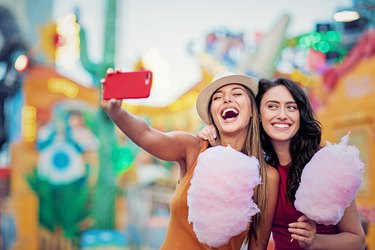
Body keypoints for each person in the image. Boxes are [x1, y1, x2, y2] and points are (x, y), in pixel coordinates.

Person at [101, 69, 279, 249]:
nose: (226, 99)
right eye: (217, 97)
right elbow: (146, 134)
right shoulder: (193, 149)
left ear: (252, 111)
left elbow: (258, 246)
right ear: (213, 115)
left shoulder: (267, 176)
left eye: (237, 93)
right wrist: (116, 112)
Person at [199, 77, 366, 249]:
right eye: (272, 106)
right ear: (258, 115)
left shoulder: (326, 163)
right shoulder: (258, 172)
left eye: (291, 107)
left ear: (300, 115)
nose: (282, 115)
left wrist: (314, 241)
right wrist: (213, 131)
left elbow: (358, 240)